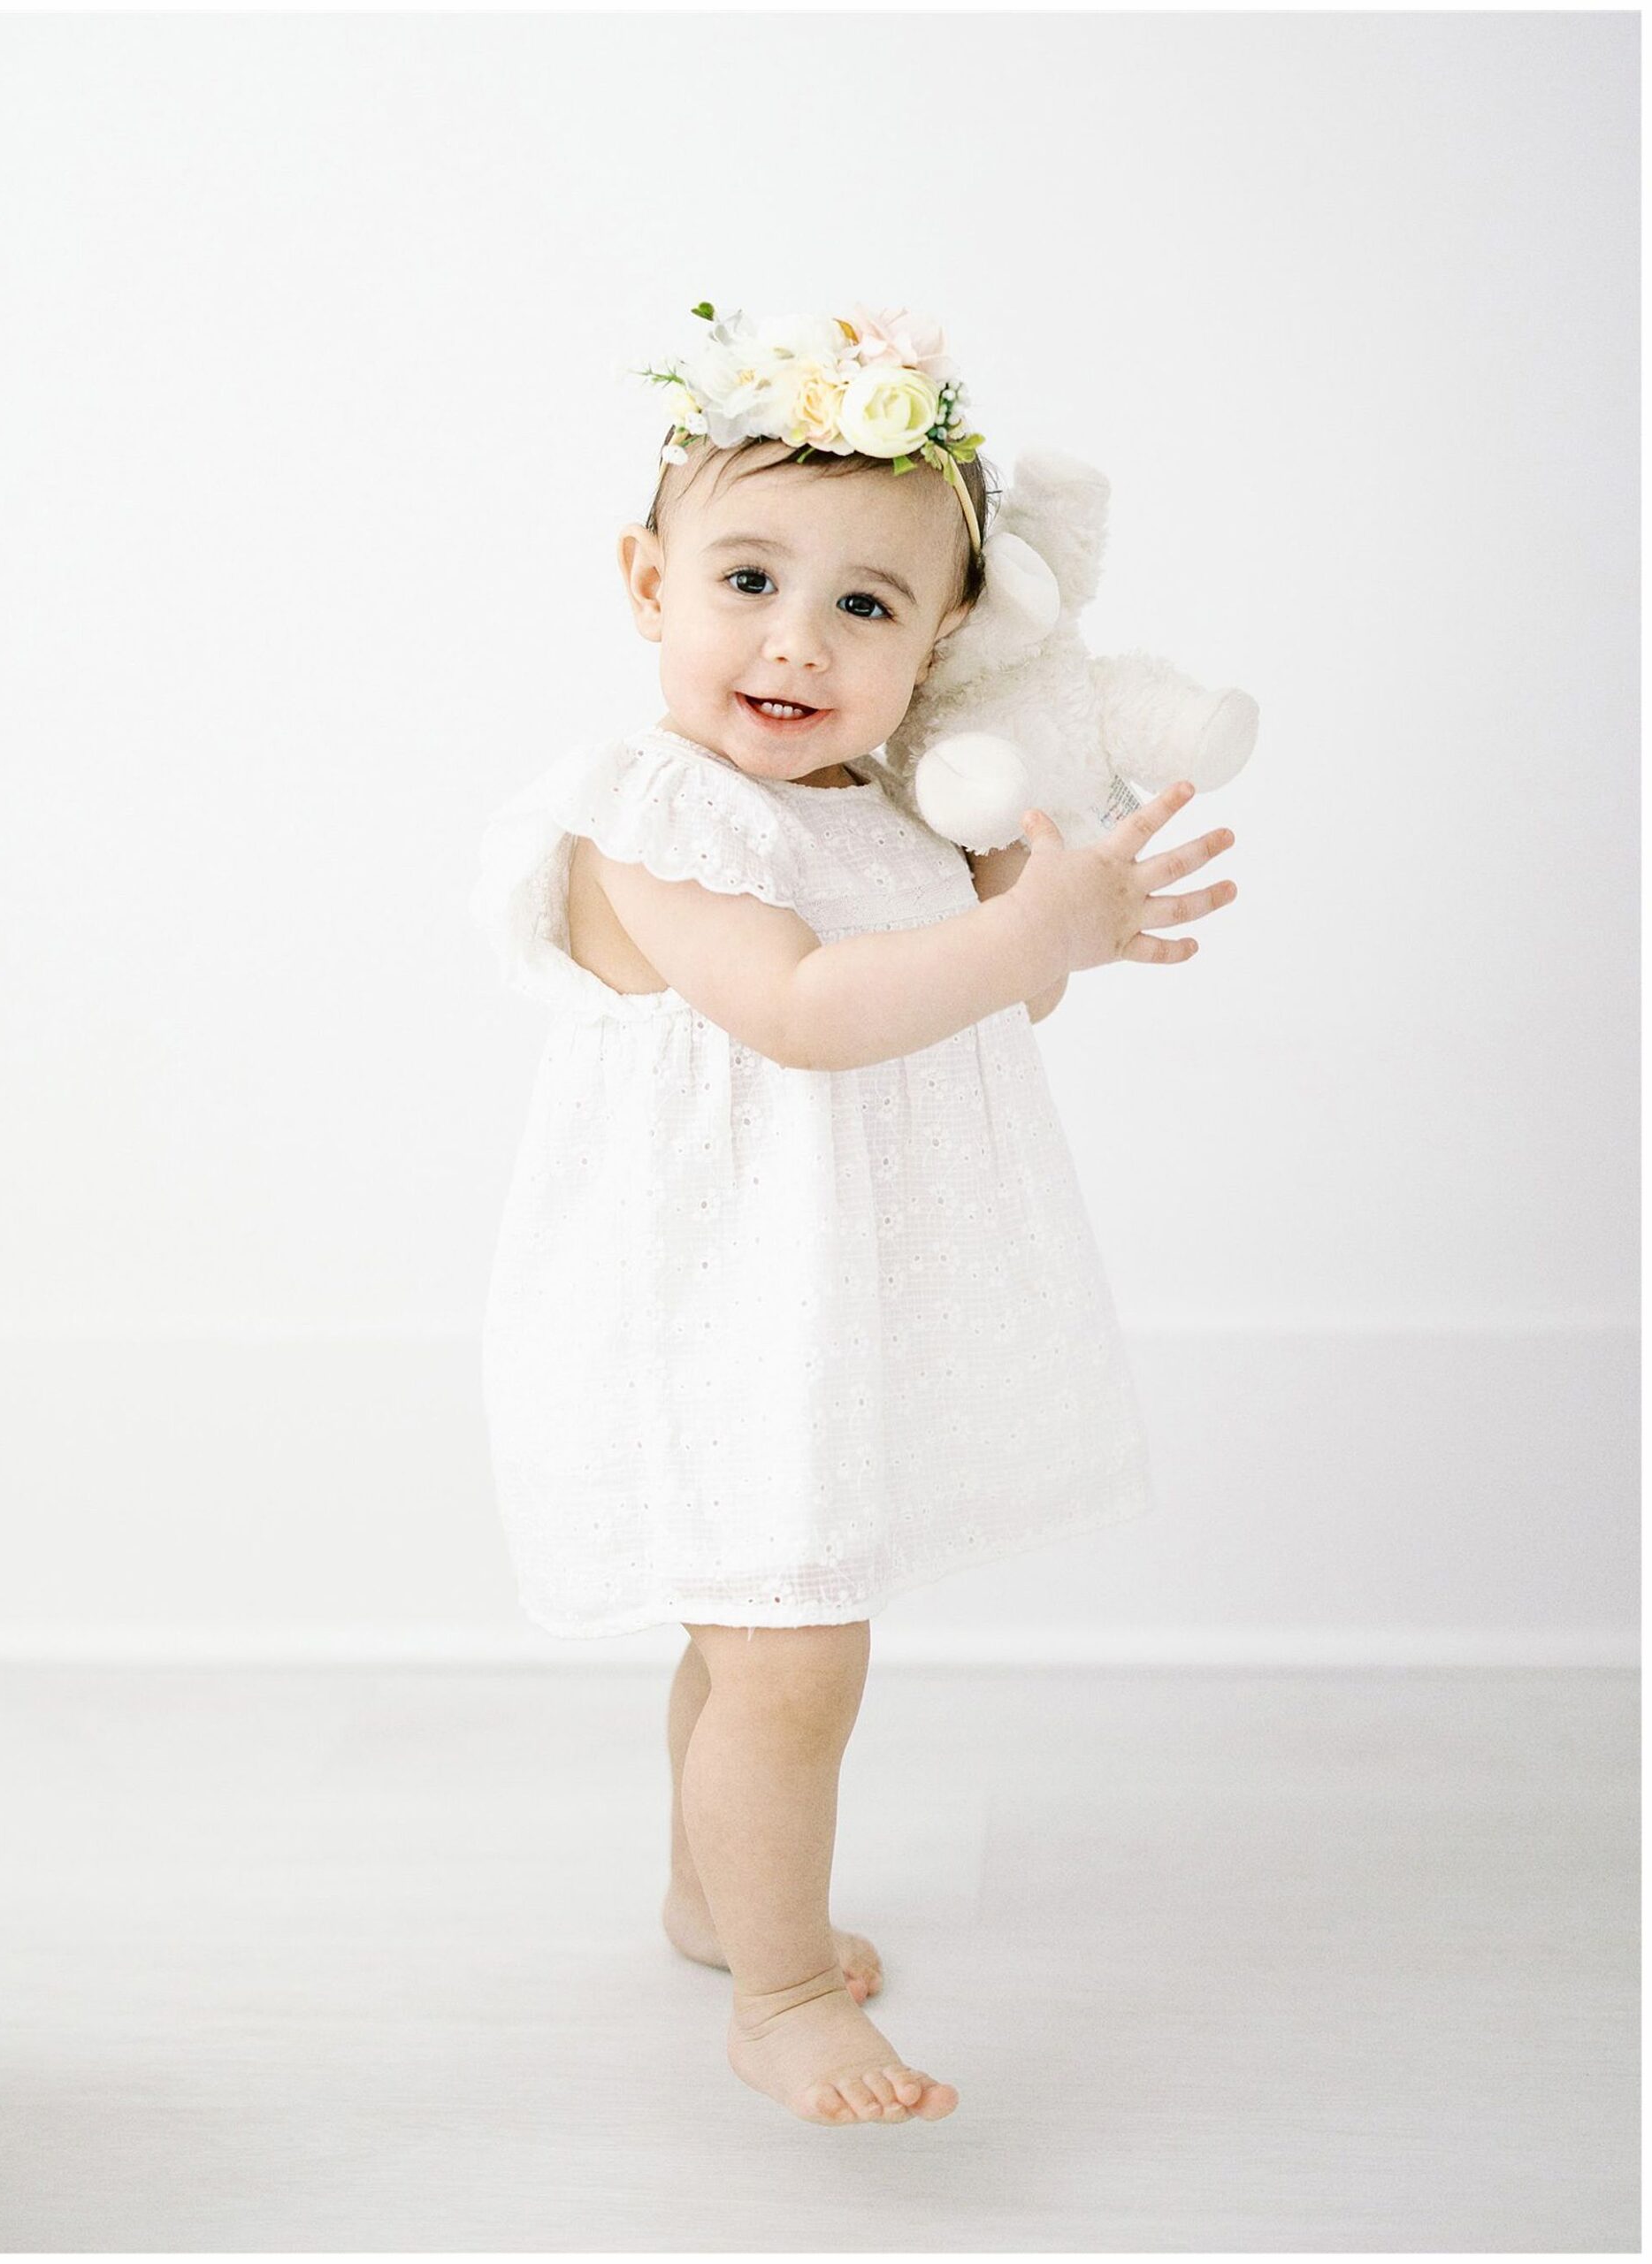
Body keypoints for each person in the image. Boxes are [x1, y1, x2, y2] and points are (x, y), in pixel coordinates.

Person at [470, 302, 1238, 2129]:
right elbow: (804, 1012)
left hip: (803, 1304)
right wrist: (1008, 935)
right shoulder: (652, 810)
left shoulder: (880, 806)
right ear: (649, 581)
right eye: (747, 576)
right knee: (793, 1657)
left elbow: (986, 999)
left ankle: (709, 1896)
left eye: (868, 607)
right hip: (701, 1309)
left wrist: (1047, 914)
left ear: (945, 646)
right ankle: (785, 1987)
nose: (796, 640)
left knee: (754, 1636)